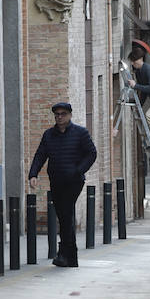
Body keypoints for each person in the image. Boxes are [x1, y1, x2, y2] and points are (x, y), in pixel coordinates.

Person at [28, 100, 97, 268]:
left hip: (73, 181)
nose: (59, 117)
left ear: (70, 115)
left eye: (63, 114)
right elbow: (40, 155)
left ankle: (68, 256)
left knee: (65, 215)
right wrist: (33, 174)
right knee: (63, 217)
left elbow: (91, 153)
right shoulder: (49, 135)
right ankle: (65, 254)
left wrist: (78, 170)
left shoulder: (80, 133)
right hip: (56, 180)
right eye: (57, 115)